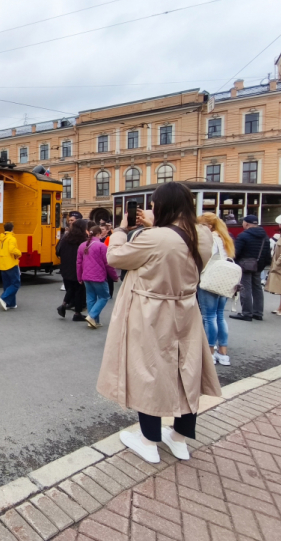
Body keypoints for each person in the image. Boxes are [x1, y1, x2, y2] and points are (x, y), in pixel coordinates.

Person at [97, 182, 221, 464]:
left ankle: (149, 441)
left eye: (153, 205)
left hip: (151, 312)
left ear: (162, 206)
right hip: (186, 309)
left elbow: (114, 257)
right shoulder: (203, 234)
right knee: (186, 372)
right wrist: (156, 225)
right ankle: (179, 438)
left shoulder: (154, 237)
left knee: (148, 372)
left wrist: (120, 231)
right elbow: (175, 241)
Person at [196, 213, 236, 366]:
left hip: (210, 280)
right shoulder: (224, 238)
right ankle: (223, 353)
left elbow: (206, 258)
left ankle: (210, 352)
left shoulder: (210, 238)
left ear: (208, 226)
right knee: (219, 316)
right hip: (224, 280)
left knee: (209, 317)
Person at [76, 224, 118, 329]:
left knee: (91, 298)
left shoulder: (82, 245)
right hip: (98, 276)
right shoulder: (101, 246)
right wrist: (114, 276)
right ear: (99, 234)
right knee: (104, 296)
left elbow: (79, 263)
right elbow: (108, 264)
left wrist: (79, 277)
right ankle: (92, 316)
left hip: (86, 276)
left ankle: (94, 321)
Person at [230, 215, 270, 322]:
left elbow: (236, 252)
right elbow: (267, 254)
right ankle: (258, 313)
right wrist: (262, 265)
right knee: (257, 288)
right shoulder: (265, 236)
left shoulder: (243, 235)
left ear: (246, 223)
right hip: (258, 265)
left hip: (245, 265)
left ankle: (246, 313)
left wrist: (235, 262)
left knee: (245, 288)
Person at [56, 219, 88, 321]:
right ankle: (77, 313)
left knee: (71, 288)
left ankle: (63, 305)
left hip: (65, 267)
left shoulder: (65, 237)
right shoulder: (83, 240)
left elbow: (58, 251)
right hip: (78, 267)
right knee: (79, 290)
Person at [0, 222, 22, 310]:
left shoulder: (2, 238)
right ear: (12, 228)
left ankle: (11, 304)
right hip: (11, 263)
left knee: (7, 285)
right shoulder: (11, 238)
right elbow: (12, 249)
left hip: (3, 264)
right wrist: (19, 253)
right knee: (15, 284)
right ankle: (4, 298)